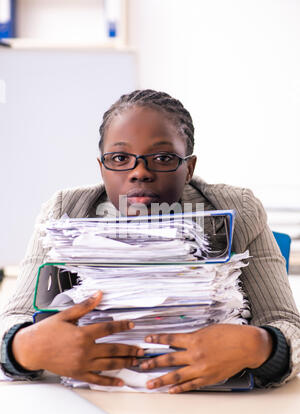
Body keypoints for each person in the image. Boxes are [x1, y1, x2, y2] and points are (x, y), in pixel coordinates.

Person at [1, 89, 299, 392]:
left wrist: (261, 347)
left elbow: (285, 321)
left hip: (208, 408)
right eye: (119, 158)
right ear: (102, 168)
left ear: (189, 168)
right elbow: (15, 317)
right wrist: (21, 349)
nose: (140, 172)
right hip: (96, 397)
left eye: (163, 157)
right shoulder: (64, 211)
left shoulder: (239, 208)